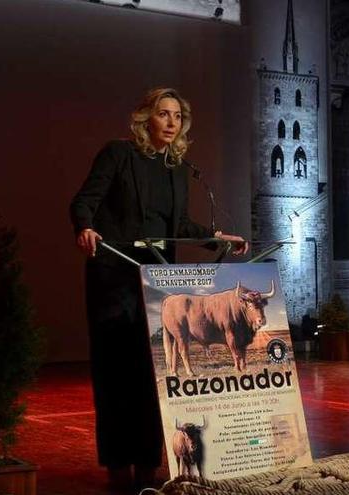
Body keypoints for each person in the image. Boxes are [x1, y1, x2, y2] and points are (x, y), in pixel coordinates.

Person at [69, 87, 246, 491]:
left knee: (153, 376)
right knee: (117, 376)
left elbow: (178, 225)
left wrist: (217, 238)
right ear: (146, 118)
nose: (171, 122)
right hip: (114, 279)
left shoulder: (177, 170)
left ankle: (148, 464)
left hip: (155, 284)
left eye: (178, 116)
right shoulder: (118, 154)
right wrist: (84, 228)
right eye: (163, 114)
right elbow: (84, 201)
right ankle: (117, 467)